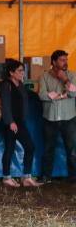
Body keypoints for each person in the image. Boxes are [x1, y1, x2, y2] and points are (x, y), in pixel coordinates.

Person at [0, 59, 42, 188]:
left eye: (23, 70)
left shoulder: (20, 84)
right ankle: (17, 178)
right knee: (26, 147)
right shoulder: (6, 85)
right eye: (19, 71)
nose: (22, 73)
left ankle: (21, 178)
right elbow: (5, 104)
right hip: (13, 123)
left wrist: (42, 93)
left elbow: (27, 96)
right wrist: (10, 122)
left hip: (19, 122)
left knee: (11, 149)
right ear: (11, 72)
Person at [37, 49, 76, 182]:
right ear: (54, 62)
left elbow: (73, 94)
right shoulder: (43, 76)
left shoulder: (72, 75)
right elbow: (41, 95)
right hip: (50, 118)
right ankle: (46, 176)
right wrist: (61, 96)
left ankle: (73, 177)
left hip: (69, 118)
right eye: (62, 60)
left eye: (66, 60)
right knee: (48, 149)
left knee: (72, 150)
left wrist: (65, 80)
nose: (65, 62)